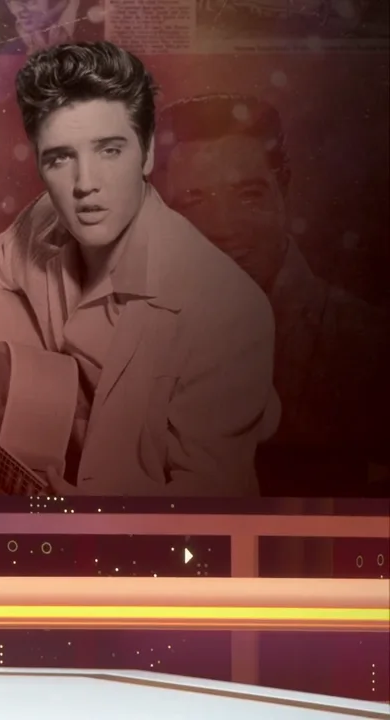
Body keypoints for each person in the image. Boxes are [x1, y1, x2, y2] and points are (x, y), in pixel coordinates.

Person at [0, 41, 279, 496]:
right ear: (39, 163)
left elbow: (206, 506)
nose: (85, 184)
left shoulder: (231, 313)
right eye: (60, 158)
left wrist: (91, 524)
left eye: (109, 151)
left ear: (148, 153)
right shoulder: (45, 221)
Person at [151, 93, 389, 489]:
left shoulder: (370, 346)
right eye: (194, 201)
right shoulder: (134, 338)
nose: (224, 227)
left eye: (249, 195)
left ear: (284, 191)